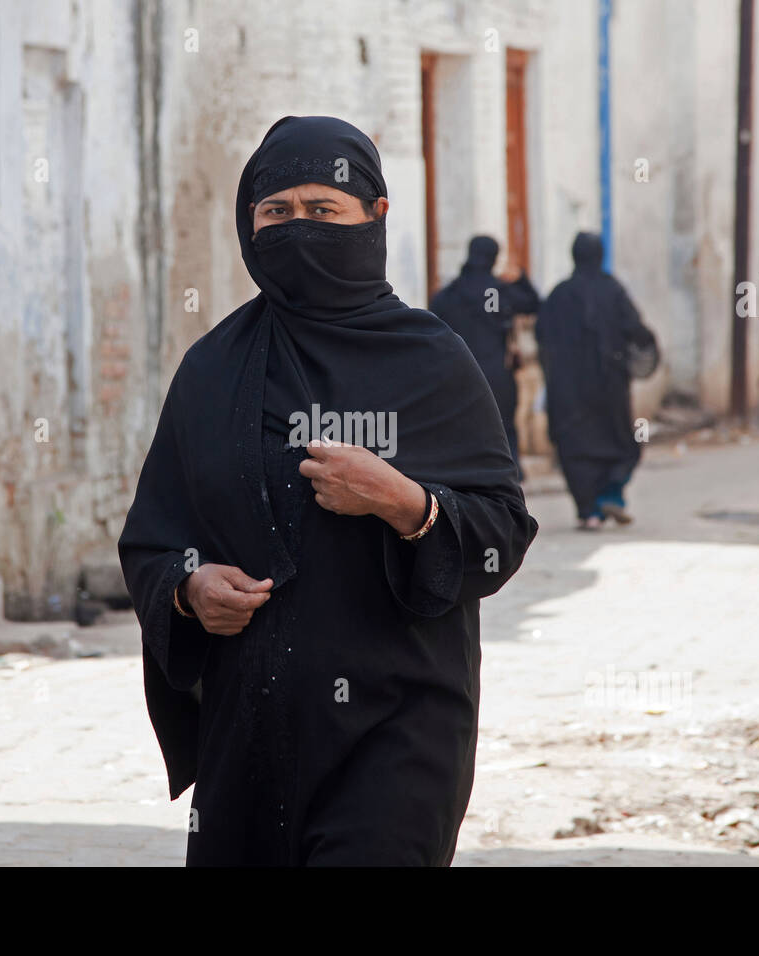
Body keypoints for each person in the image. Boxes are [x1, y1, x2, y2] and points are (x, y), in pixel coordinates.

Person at [117, 116, 538, 866]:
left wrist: (403, 501)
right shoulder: (212, 369)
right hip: (247, 734)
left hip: (399, 732)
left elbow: (502, 533)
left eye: (324, 211)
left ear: (374, 216)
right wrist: (187, 590)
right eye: (276, 212)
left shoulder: (430, 360)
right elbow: (154, 538)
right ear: (248, 226)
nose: (298, 229)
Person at [535, 232, 657, 530]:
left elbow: (542, 335)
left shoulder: (558, 295)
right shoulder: (612, 290)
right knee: (621, 442)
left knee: (574, 447)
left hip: (567, 389)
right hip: (609, 386)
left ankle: (588, 510)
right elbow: (635, 328)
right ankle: (610, 494)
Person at [429, 236, 540, 478]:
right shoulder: (499, 291)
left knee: (463, 427)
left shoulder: (449, 294)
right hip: (497, 372)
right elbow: (533, 303)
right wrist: (519, 276)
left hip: (459, 373)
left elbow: (433, 325)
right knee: (504, 427)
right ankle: (510, 475)